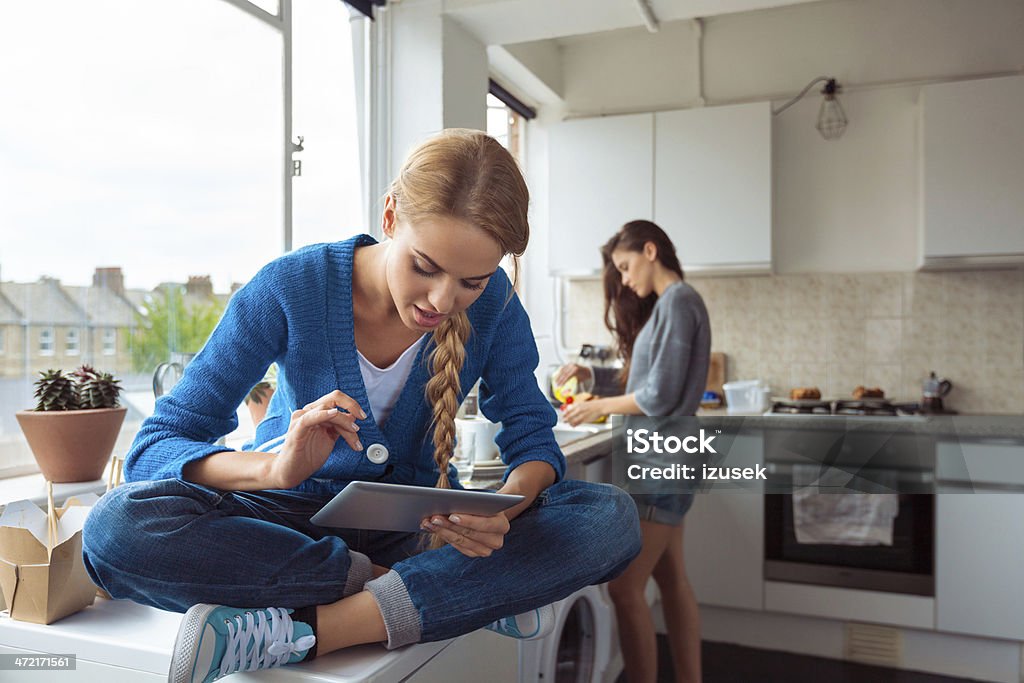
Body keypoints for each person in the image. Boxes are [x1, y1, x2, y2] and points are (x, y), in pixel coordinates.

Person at [82, 129, 642, 683]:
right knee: (114, 528)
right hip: (284, 529)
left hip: (424, 532)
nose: (442, 302)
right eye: (425, 267)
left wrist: (497, 513)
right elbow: (156, 448)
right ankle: (436, 592)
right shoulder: (291, 285)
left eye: (471, 281)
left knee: (607, 515)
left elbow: (534, 441)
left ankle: (314, 629)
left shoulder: (496, 307)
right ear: (391, 217)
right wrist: (274, 468)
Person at [559, 219, 710, 683]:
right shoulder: (673, 304)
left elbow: (659, 396)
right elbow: (648, 384)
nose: (624, 280)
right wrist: (591, 382)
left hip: (661, 459)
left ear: (650, 251)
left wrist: (599, 405)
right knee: (671, 579)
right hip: (667, 454)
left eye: (625, 267)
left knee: (625, 590)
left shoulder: (678, 301)